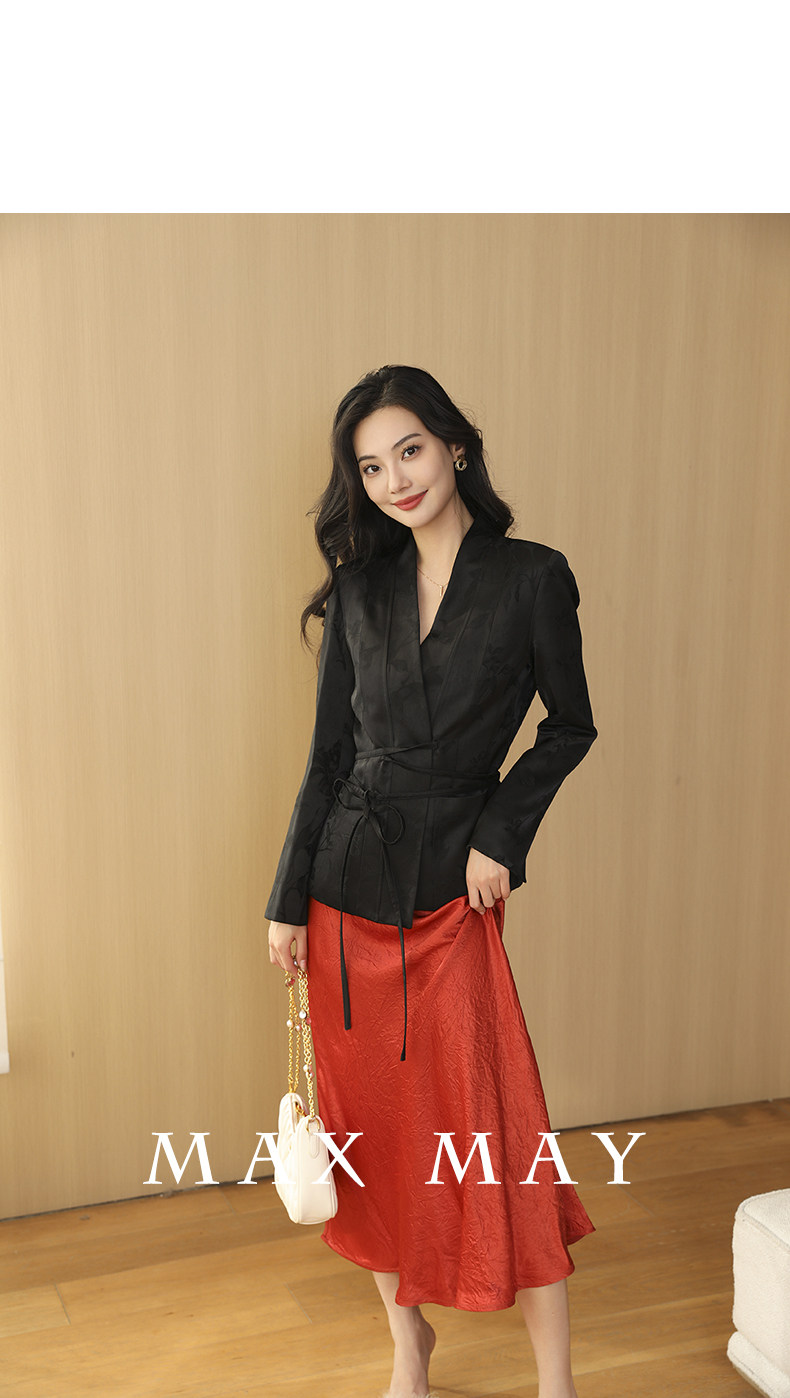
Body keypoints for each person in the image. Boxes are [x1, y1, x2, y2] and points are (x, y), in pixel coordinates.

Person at [266, 364, 598, 1398]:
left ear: (455, 446)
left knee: (499, 1135)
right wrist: (284, 902)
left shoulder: (532, 577)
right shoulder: (358, 589)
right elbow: (327, 757)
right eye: (370, 467)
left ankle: (556, 1380)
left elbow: (570, 725)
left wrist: (501, 835)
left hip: (453, 892)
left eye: (408, 450)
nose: (395, 479)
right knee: (371, 1142)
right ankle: (408, 1344)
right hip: (342, 896)